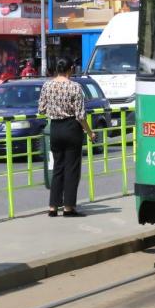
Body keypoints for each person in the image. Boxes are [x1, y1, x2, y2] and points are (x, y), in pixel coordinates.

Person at [37, 58, 95, 217]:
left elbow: (41, 109)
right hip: (71, 128)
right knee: (72, 169)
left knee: (58, 168)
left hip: (55, 128)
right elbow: (80, 115)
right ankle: (69, 208)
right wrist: (90, 132)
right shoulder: (75, 87)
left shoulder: (47, 85)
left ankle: (53, 207)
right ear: (70, 69)